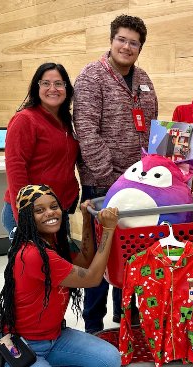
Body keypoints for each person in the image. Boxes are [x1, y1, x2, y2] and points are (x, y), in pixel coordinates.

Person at [0, 184, 121, 367]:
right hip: (21, 345)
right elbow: (92, 278)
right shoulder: (32, 254)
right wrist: (109, 230)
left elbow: (85, 260)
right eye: (39, 210)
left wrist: (86, 219)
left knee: (110, 361)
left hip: (54, 337)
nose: (50, 213)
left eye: (54, 206)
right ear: (26, 219)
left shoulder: (54, 243)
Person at [73, 14, 158, 333]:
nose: (127, 46)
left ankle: (128, 321)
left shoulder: (145, 80)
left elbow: (152, 130)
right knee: (100, 258)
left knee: (133, 256)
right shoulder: (92, 77)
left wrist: (149, 173)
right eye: (121, 39)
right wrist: (110, 180)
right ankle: (94, 326)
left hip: (138, 188)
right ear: (111, 40)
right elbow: (86, 130)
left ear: (140, 48)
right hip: (102, 186)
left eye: (133, 43)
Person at [2, 63, 79, 238]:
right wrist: (25, 216)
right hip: (32, 212)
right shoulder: (25, 119)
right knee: (34, 264)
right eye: (46, 83)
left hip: (57, 209)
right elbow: (15, 169)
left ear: (66, 88)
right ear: (37, 87)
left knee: (59, 264)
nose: (53, 88)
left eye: (59, 83)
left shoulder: (66, 121)